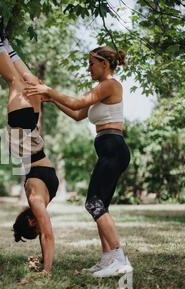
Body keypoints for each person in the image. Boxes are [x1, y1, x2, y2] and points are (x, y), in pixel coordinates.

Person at [24, 45, 133, 277]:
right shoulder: (100, 89)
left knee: (93, 203)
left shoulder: (110, 85)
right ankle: (107, 259)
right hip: (109, 150)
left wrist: (50, 90)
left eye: (92, 63)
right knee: (100, 205)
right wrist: (54, 101)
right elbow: (76, 113)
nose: (88, 67)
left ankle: (119, 258)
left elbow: (76, 102)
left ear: (105, 64)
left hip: (113, 148)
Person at [0, 9, 59, 274]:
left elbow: (47, 235)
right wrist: (43, 264)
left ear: (30, 220)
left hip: (24, 140)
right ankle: (5, 39)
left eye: (35, 225)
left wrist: (47, 271)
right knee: (33, 82)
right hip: (31, 141)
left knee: (15, 81)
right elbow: (43, 235)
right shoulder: (37, 207)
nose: (41, 226)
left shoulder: (35, 200)